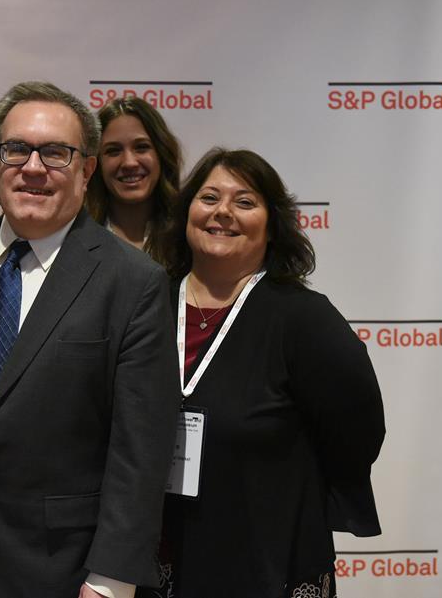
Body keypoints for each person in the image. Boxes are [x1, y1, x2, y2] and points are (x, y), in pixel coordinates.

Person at [0, 81, 177, 598]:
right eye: (16, 150)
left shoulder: (132, 283)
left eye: (55, 152)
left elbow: (141, 450)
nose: (33, 167)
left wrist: (112, 578)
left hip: (62, 572)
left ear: (87, 169)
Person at [146, 148, 384, 597]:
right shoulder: (146, 304)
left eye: (244, 202)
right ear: (186, 213)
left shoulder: (303, 319)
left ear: (273, 226)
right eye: (209, 197)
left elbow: (357, 431)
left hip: (267, 556)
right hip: (156, 554)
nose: (222, 212)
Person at [85, 96, 182, 268]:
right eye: (113, 151)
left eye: (141, 147)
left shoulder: (186, 237)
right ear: (96, 162)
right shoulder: (76, 238)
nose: (129, 162)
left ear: (161, 153)